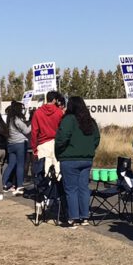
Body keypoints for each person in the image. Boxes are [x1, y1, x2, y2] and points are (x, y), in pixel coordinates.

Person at [54, 96, 100, 227]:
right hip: (86, 159)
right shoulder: (90, 121)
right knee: (83, 188)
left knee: (71, 189)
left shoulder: (68, 120)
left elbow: (61, 138)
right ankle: (84, 217)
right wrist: (90, 149)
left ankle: (73, 217)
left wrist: (60, 152)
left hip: (70, 159)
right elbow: (96, 138)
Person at [30, 91, 66, 181]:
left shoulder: (38, 112)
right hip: (56, 143)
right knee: (58, 170)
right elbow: (63, 129)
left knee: (44, 171)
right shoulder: (59, 112)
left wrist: (34, 148)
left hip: (42, 144)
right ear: (54, 100)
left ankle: (45, 192)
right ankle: (57, 191)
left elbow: (34, 132)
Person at [2, 102, 31, 194]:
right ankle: (20, 186)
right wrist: (32, 123)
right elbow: (26, 131)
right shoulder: (17, 120)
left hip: (11, 144)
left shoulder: (9, 120)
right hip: (20, 144)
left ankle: (3, 184)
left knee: (11, 164)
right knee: (20, 165)